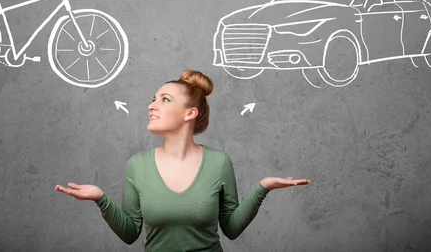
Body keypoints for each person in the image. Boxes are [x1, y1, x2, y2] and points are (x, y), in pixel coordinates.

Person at [55, 69, 310, 251]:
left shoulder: (219, 162)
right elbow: (131, 233)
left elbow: (231, 229)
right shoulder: (137, 164)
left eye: (164, 99)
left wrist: (262, 188)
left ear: (190, 113)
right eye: (153, 99)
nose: (152, 106)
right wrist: (101, 199)